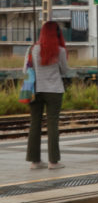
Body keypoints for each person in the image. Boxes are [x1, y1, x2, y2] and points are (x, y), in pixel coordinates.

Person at [25, 21, 73, 170]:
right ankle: (53, 162)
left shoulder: (32, 49)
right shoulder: (60, 51)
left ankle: (35, 161)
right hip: (54, 91)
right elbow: (65, 70)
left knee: (35, 124)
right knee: (52, 125)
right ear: (57, 34)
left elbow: (25, 70)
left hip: (35, 90)